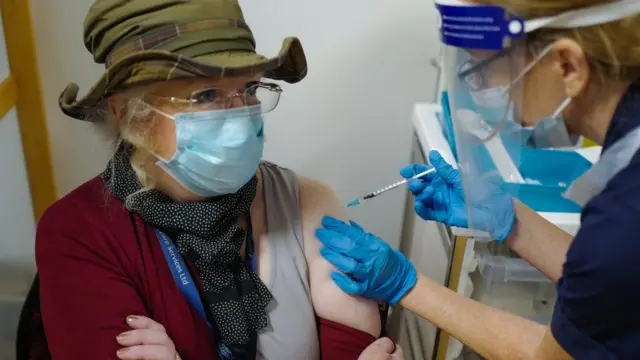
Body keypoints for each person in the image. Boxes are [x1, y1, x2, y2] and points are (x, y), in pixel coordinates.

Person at [29, 1, 403, 359]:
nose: (241, 116)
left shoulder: (304, 201)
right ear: (130, 114)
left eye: (250, 89)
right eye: (207, 94)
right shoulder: (78, 232)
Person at [316, 0, 640, 359]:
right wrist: (509, 220)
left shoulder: (625, 215)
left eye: (485, 69)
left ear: (567, 66)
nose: (482, 88)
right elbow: (619, 291)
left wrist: (405, 283)